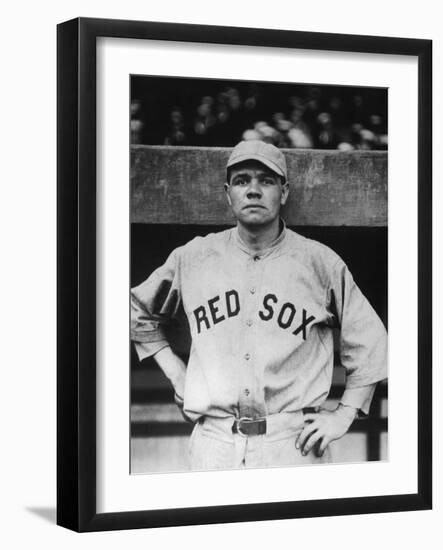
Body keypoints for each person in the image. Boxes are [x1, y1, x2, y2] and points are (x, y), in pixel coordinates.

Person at [130, 140, 387, 471]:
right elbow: (134, 309)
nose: (253, 190)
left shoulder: (319, 262)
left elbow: (371, 340)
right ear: (228, 194)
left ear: (284, 191)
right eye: (242, 180)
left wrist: (345, 412)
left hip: (293, 444)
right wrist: (176, 371)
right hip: (215, 442)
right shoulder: (193, 257)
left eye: (266, 180)